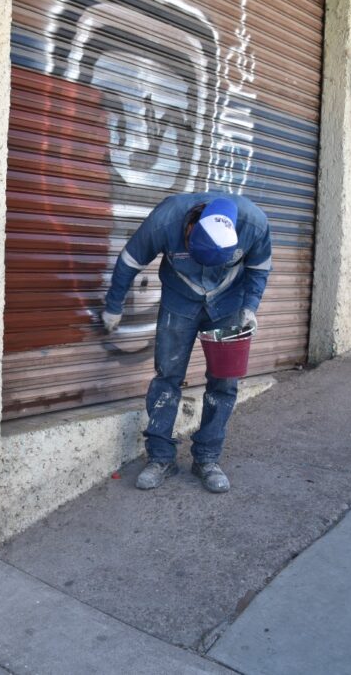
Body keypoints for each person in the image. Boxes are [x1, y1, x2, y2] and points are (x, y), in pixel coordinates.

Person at [101, 193, 272, 493]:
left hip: (228, 304)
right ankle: (160, 458)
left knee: (224, 382)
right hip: (179, 301)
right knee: (167, 377)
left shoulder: (254, 224)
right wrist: (114, 305)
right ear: (191, 226)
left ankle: (207, 458)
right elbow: (129, 260)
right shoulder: (165, 219)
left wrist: (250, 308)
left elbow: (259, 268)